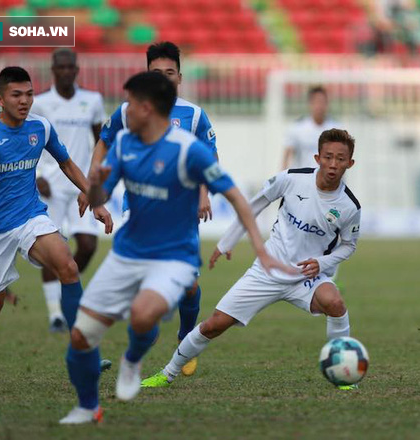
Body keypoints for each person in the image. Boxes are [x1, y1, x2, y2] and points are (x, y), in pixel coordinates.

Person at [59, 71, 290, 424]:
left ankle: (132, 362)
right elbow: (100, 196)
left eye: (132, 104)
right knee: (81, 336)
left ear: (147, 108)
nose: (125, 110)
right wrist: (94, 189)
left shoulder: (188, 151)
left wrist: (259, 248)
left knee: (142, 314)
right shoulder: (123, 144)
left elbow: (236, 197)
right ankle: (88, 406)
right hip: (127, 253)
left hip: (174, 258)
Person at [141, 128, 362, 391]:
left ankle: (342, 374)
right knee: (214, 325)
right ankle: (167, 373)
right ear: (317, 158)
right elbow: (253, 205)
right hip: (267, 270)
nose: (333, 164)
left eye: (340, 159)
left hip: (307, 277)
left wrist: (322, 264)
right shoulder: (291, 179)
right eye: (328, 157)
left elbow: (349, 246)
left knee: (335, 303)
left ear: (350, 163)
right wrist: (226, 242)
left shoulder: (350, 207)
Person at [0, 67, 112, 386]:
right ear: (0, 99)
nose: (25, 101)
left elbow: (66, 162)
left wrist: (93, 198)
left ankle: (84, 351)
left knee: (67, 266)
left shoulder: (41, 126)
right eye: (16, 95)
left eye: (28, 94)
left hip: (30, 216)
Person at [85, 41, 217, 376]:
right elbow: (104, 140)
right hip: (138, 211)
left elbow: (208, 160)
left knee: (189, 288)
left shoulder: (194, 115)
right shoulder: (129, 111)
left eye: (169, 73)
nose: (163, 78)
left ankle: (185, 336)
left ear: (180, 78)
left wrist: (204, 193)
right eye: (156, 73)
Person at [32, 48, 107, 332]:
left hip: (81, 188)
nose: (65, 71)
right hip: (49, 186)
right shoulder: (39, 103)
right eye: (60, 67)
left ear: (77, 69)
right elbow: (30, 142)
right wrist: (37, 174)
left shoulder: (93, 100)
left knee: (88, 246)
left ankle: (68, 286)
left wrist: (96, 181)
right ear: (53, 70)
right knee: (54, 250)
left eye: (70, 67)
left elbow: (102, 141)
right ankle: (56, 315)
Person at [281, 86, 342, 170]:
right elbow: (288, 154)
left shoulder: (336, 128)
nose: (319, 106)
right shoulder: (298, 127)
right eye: (316, 102)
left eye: (322, 102)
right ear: (310, 103)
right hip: (303, 180)